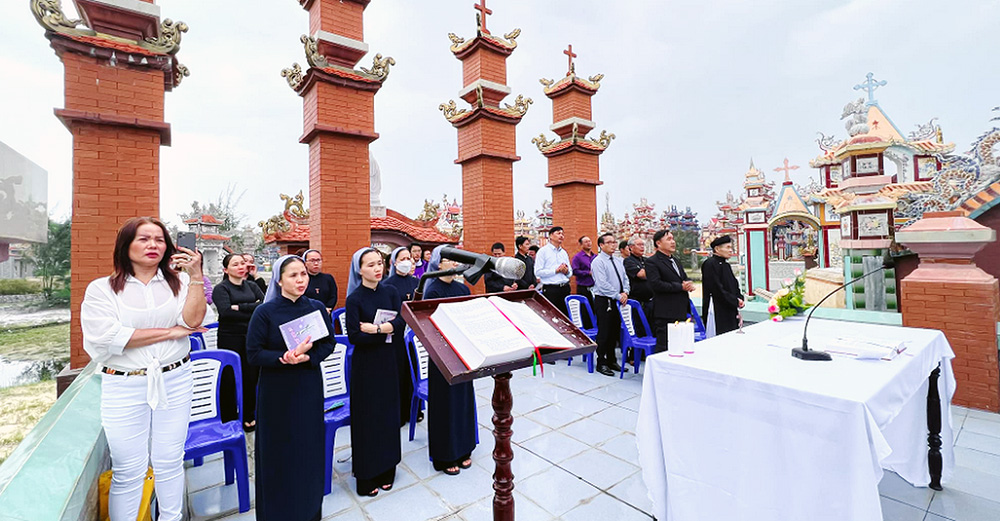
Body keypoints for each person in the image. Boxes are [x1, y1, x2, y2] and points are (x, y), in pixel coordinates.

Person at [81, 217, 210, 521]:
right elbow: (107, 338)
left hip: (176, 378)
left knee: (169, 461)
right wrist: (169, 332)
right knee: (128, 468)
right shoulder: (103, 290)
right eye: (144, 239)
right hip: (124, 384)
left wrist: (195, 276)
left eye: (159, 239)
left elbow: (192, 322)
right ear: (126, 246)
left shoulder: (178, 284)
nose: (153, 245)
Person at [246, 255, 335, 520]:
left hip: (307, 384)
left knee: (308, 446)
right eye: (293, 275)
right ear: (279, 279)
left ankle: (309, 509)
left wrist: (309, 357)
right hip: (277, 391)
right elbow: (253, 354)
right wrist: (283, 357)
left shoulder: (316, 307)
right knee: (278, 451)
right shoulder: (265, 312)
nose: (300, 280)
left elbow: (328, 343)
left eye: (303, 274)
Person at [345, 247, 405, 496]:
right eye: (370, 265)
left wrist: (378, 329)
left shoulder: (390, 291)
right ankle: (367, 474)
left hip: (388, 360)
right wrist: (384, 331)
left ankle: (388, 468)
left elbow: (401, 322)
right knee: (368, 417)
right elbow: (355, 335)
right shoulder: (354, 299)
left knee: (389, 414)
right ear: (359, 270)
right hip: (366, 365)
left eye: (379, 263)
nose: (377, 268)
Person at [423, 245, 477, 475]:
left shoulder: (462, 289)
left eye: (457, 260)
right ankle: (445, 455)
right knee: (445, 403)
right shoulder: (432, 290)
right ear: (438, 263)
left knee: (463, 400)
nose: (454, 264)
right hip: (442, 354)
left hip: (463, 351)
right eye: (450, 259)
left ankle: (464, 447)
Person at [213, 253, 266, 431]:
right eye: (235, 264)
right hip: (230, 338)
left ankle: (249, 415)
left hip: (251, 335)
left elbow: (263, 305)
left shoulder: (251, 285)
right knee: (230, 376)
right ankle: (229, 417)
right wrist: (251, 307)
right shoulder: (221, 289)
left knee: (251, 376)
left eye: (242, 263)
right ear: (226, 270)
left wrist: (240, 307)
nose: (241, 267)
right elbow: (226, 312)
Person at [381, 246, 420, 425]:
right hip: (395, 334)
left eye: (409, 258)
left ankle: (415, 409)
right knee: (398, 372)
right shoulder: (387, 285)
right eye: (402, 258)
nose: (407, 262)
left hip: (413, 334)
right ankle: (399, 412)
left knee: (413, 372)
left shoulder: (416, 282)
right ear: (394, 262)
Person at [646, 229, 695, 352]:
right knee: (664, 347)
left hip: (681, 308)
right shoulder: (652, 262)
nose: (673, 242)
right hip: (665, 311)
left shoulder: (675, 260)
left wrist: (688, 283)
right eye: (669, 239)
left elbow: (682, 277)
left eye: (673, 239)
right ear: (658, 243)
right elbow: (656, 284)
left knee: (680, 345)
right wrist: (680, 287)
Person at [591, 233, 629, 377]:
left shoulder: (619, 261)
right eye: (609, 242)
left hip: (619, 300)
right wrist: (618, 295)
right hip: (605, 300)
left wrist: (625, 292)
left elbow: (625, 279)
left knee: (614, 331)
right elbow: (602, 284)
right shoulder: (598, 262)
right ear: (601, 245)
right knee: (604, 332)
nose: (613, 245)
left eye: (614, 242)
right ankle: (601, 362)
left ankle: (612, 360)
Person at [700, 235, 744, 337]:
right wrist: (734, 300)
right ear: (717, 249)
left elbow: (733, 285)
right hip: (717, 308)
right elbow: (716, 289)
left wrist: (739, 298)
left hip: (729, 306)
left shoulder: (726, 265)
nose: (730, 250)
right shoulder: (710, 264)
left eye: (731, 247)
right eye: (727, 247)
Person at [535, 226, 573, 317]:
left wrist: (566, 271)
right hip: (551, 290)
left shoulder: (563, 252)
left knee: (565, 318)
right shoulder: (543, 252)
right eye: (558, 233)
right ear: (551, 236)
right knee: (552, 317)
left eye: (562, 234)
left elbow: (570, 273)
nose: (561, 236)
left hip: (565, 288)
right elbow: (538, 272)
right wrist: (555, 271)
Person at [571, 236, 596, 303]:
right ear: (581, 245)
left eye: (589, 241)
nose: (588, 243)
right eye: (586, 242)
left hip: (595, 288)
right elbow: (575, 271)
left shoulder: (595, 256)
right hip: (583, 288)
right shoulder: (577, 257)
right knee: (585, 310)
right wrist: (588, 273)